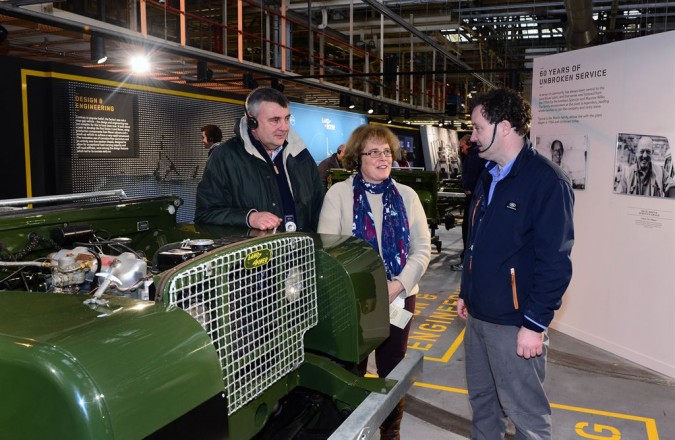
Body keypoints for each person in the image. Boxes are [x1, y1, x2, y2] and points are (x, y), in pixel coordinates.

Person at [457, 88, 575, 439]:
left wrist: (535, 324)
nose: (472, 136)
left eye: (478, 127)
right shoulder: (488, 174)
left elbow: (555, 261)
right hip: (478, 316)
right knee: (483, 405)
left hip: (514, 324)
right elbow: (475, 241)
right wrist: (467, 290)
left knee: (527, 417)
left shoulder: (546, 181)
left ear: (504, 127)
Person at [318, 124, 431, 440]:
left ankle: (389, 432)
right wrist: (364, 289)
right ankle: (352, 430)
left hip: (399, 295)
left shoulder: (406, 196)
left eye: (387, 151)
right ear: (358, 157)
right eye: (374, 152)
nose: (383, 158)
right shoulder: (338, 195)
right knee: (350, 368)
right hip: (352, 300)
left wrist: (398, 285)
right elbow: (329, 252)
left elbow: (422, 249)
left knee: (392, 368)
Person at [195, 87, 324, 232]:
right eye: (275, 120)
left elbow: (319, 209)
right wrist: (249, 218)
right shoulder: (224, 157)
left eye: (287, 119)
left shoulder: (301, 155)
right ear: (252, 123)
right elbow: (205, 213)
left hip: (302, 251)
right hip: (256, 253)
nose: (285, 127)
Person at [450, 134, 486, 271]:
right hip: (477, 196)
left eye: (463, 146)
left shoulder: (473, 154)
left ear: (468, 144)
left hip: (473, 197)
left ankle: (467, 262)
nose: (462, 149)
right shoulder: (480, 153)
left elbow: (470, 175)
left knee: (468, 228)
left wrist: (468, 188)